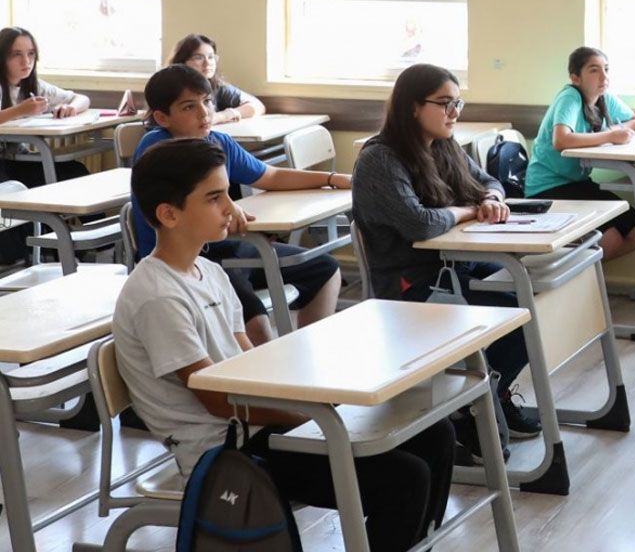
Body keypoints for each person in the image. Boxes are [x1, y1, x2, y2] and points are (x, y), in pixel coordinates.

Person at [115, 137, 453, 551]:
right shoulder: (157, 296)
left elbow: (251, 362)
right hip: (227, 451)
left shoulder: (208, 271)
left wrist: (317, 401)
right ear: (169, 214)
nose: (231, 208)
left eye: (227, 194)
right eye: (214, 198)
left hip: (258, 427)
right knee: (404, 479)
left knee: (436, 434)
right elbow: (217, 400)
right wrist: (308, 415)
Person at [352, 63, 540, 458]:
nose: (454, 112)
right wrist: (469, 210)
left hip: (453, 266)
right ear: (412, 107)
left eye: (458, 103)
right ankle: (469, 408)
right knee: (511, 313)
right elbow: (419, 223)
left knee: (527, 302)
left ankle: (490, 395)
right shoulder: (380, 159)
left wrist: (491, 199)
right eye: (444, 103)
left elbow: (488, 181)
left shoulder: (443, 144)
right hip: (410, 284)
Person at [132, 65, 346, 345]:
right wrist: (226, 204)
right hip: (186, 257)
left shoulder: (217, 141)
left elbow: (271, 176)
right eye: (189, 107)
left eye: (207, 102)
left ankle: (304, 354)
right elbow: (182, 203)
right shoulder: (157, 151)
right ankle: (265, 368)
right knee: (257, 325)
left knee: (325, 268)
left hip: (224, 245)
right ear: (162, 117)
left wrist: (331, 179)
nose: (204, 113)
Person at [525, 46, 635, 260]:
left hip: (578, 183)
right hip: (548, 188)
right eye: (594, 70)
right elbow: (561, 140)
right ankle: (578, 274)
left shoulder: (604, 97)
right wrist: (609, 136)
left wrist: (616, 132)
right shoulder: (570, 97)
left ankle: (586, 270)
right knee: (611, 241)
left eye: (606, 69)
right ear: (575, 78)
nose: (604, 76)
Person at [0, 26, 93, 187]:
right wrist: (21, 110)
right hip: (4, 164)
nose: (26, 61)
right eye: (17, 54)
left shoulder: (33, 86)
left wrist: (71, 108)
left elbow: (81, 98)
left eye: (31, 53)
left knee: (76, 171)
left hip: (15, 158)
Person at [169, 33, 266, 124]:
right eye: (198, 57)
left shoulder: (217, 87)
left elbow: (258, 106)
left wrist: (223, 115)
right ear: (181, 62)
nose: (207, 63)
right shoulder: (169, 88)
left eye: (211, 57)